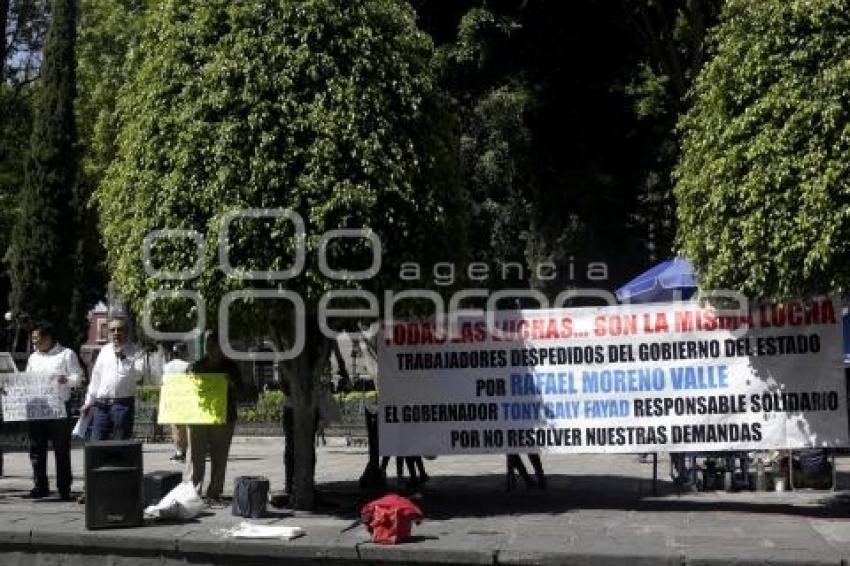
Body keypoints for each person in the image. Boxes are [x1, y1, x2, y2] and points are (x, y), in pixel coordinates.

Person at [24, 321, 84, 500]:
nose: (34, 342)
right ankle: (40, 486)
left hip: (58, 409)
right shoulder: (33, 357)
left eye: (37, 338)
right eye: (33, 338)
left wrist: (66, 380)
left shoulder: (66, 354)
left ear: (48, 337)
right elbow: (26, 379)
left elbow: (79, 377)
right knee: (36, 449)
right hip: (37, 409)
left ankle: (64, 488)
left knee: (61, 449)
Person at [185, 330, 241, 502]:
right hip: (199, 417)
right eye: (208, 345)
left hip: (223, 418)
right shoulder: (195, 367)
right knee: (195, 456)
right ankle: (191, 492)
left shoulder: (231, 368)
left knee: (220, 456)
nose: (210, 348)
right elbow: (186, 390)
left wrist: (231, 385)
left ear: (222, 348)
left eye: (214, 345)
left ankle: (214, 493)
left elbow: (242, 391)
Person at [81, 317, 145, 441]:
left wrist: (123, 358)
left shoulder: (136, 351)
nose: (116, 333)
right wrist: (88, 402)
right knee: (97, 444)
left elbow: (138, 375)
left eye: (120, 329)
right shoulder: (104, 351)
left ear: (126, 331)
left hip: (122, 405)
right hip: (101, 406)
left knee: (120, 445)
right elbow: (96, 379)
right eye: (112, 330)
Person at [162, 342, 190, 462]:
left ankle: (178, 451)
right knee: (186, 427)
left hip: (171, 399)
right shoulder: (187, 366)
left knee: (175, 427)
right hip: (184, 399)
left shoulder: (166, 366)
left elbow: (163, 382)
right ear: (183, 352)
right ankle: (186, 451)